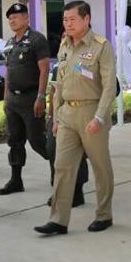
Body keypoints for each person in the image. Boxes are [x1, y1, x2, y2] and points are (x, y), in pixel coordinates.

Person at [35, 0, 116, 236]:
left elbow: (109, 86)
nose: (67, 24)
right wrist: (56, 117)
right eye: (65, 19)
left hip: (92, 113)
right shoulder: (64, 46)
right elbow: (59, 84)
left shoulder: (101, 46)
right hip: (67, 115)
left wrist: (100, 117)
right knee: (62, 167)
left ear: (86, 19)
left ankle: (104, 214)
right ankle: (58, 221)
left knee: (100, 166)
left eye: (72, 19)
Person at [0, 3, 50, 195]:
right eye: (10, 18)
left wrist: (41, 97)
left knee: (37, 140)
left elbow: (44, 69)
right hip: (13, 99)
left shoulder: (37, 39)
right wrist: (6, 99)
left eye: (16, 17)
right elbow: (8, 72)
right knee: (14, 141)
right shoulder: (10, 43)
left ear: (27, 18)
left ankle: (59, 169)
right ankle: (16, 180)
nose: (12, 21)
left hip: (31, 98)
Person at [46, 61, 88, 207]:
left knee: (77, 153)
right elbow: (54, 92)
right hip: (61, 116)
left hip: (82, 114)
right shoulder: (59, 66)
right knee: (52, 150)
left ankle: (77, 192)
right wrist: (51, 116)